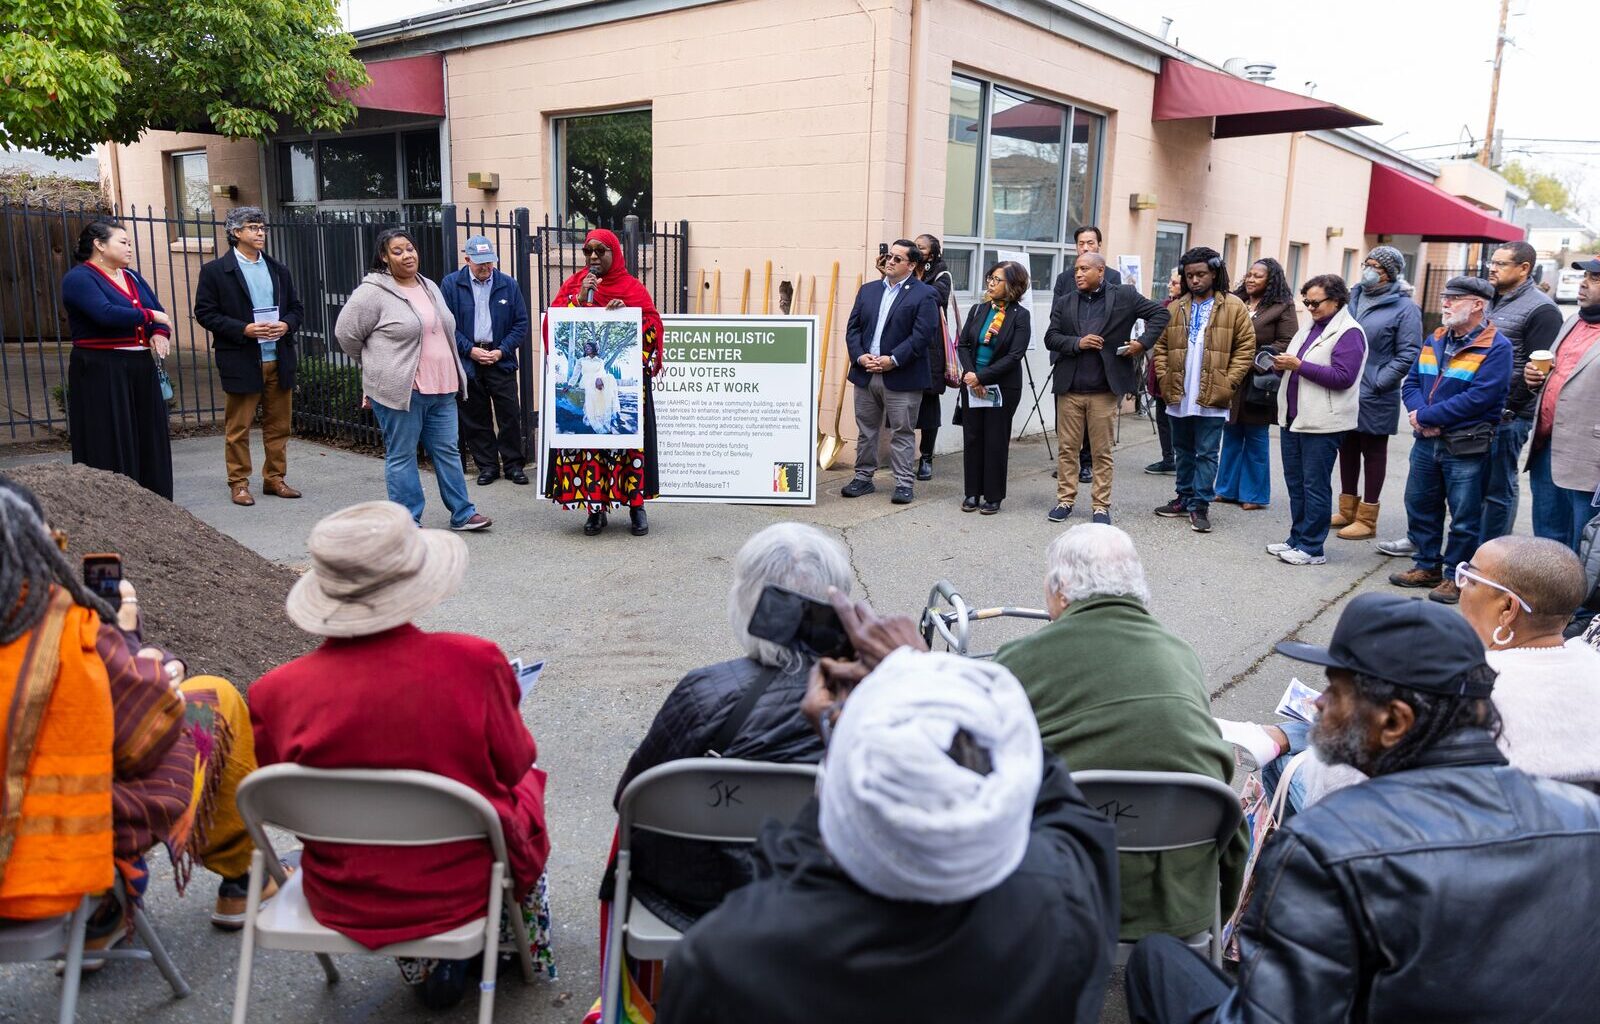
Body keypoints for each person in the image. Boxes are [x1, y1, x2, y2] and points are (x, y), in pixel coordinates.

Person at [1125, 593, 1600, 1024]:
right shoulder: (1585, 818)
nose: (1319, 703)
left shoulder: (1327, 847)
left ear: (1394, 721)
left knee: (1157, 959)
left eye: (1335, 688)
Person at [657, 593, 1120, 1024]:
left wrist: (843, 731)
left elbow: (799, 856)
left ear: (843, 792)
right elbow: (1037, 776)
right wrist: (918, 672)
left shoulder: (725, 961)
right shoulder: (1064, 907)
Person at [249, 501, 552, 1005]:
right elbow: (515, 763)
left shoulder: (273, 692)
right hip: (461, 883)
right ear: (414, 583)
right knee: (525, 783)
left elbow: (282, 799)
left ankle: (432, 965)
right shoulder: (473, 663)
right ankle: (509, 940)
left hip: (343, 890)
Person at [0, 477, 262, 934]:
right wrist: (128, 640)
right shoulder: (64, 631)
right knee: (212, 698)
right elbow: (146, 735)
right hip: (58, 861)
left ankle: (111, 910)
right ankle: (239, 881)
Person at [995, 523, 1246, 943]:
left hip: (1060, 892)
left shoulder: (1018, 661)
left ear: (1060, 590)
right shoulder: (1182, 655)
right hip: (1180, 902)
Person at [610, 523, 852, 929]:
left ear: (746, 600)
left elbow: (631, 802)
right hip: (828, 899)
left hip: (699, 900)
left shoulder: (704, 692)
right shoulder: (873, 701)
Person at [334, 228, 491, 533]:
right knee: (402, 454)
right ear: (384, 257)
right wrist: (376, 368)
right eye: (397, 251)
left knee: (447, 451)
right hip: (402, 390)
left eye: (410, 249)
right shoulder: (372, 292)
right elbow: (346, 335)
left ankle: (462, 513)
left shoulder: (428, 285)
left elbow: (442, 329)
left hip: (442, 387)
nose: (407, 255)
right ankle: (407, 520)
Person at [1389, 276, 1511, 604]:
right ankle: (1426, 564)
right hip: (1426, 440)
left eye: (1455, 298)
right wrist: (1418, 414)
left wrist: (1428, 418)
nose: (1446, 302)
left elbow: (1481, 398)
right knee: (1420, 504)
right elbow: (1411, 382)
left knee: (1464, 515)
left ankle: (1454, 576)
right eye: (1446, 296)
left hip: (1466, 444)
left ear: (1477, 305)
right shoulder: (1436, 337)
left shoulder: (1497, 346)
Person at [545, 228, 665, 537]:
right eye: (588, 251)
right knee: (591, 449)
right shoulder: (574, 286)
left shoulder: (632, 287)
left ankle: (636, 507)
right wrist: (577, 300)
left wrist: (627, 315)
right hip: (588, 390)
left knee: (627, 448)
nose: (594, 256)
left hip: (619, 389)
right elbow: (552, 324)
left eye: (601, 250)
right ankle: (594, 509)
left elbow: (652, 325)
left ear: (615, 253)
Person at [1459, 536, 1600, 790]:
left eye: (1470, 579)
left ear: (1508, 608)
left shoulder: (1468, 686)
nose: (1460, 587)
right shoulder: (1592, 664)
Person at [1044, 252, 1169, 525]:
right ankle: (1065, 500)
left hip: (1103, 391)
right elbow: (1050, 338)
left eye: (1084, 268)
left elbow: (1161, 313)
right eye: (1076, 268)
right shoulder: (1066, 302)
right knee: (1067, 449)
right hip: (1070, 389)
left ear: (1100, 271)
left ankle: (1100, 506)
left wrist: (1142, 343)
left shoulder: (1124, 295)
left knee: (1101, 452)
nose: (1078, 273)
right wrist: (1078, 343)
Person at [194, 206, 306, 507]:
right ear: (235, 232)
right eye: (253, 227)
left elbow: (296, 308)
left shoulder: (279, 270)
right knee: (239, 428)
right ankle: (239, 483)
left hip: (278, 357)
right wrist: (244, 329)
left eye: (262, 228)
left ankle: (275, 479)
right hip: (242, 358)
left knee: (279, 425)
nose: (260, 233)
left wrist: (286, 324)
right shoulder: (216, 271)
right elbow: (204, 313)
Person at [60, 220, 175, 499]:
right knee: (110, 436)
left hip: (139, 367)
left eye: (129, 243)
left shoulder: (132, 277)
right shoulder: (79, 278)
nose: (129, 248)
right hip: (101, 368)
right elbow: (105, 313)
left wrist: (160, 333)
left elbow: (159, 313)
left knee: (149, 436)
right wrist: (150, 317)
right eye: (122, 242)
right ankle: (113, 500)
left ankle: (153, 499)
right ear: (99, 245)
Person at [1152, 247, 1256, 534]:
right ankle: (1183, 498)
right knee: (1183, 450)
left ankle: (1200, 505)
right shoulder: (1175, 307)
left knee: (1207, 452)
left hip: (1214, 393)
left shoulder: (1233, 306)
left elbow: (1246, 349)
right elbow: (1160, 347)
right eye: (1189, 275)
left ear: (1214, 273)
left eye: (1201, 274)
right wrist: (1163, 376)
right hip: (1178, 391)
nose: (1195, 280)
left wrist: (1228, 382)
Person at [1265, 275, 1366, 566]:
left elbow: (1344, 378)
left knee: (1315, 485)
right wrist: (1280, 365)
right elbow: (1296, 365)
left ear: (1336, 300)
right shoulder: (1310, 326)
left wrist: (1298, 365)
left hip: (1324, 422)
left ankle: (1312, 547)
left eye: (1316, 302)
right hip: (1294, 417)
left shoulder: (1349, 332)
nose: (1310, 307)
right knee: (1296, 483)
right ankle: (1297, 538)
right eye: (1306, 302)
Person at [1329, 246, 1423, 541]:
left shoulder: (1405, 308)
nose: (1368, 270)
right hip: (1346, 385)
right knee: (1346, 448)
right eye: (1366, 264)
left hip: (1376, 391)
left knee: (1373, 451)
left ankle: (1367, 518)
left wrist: (1379, 380)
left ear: (1390, 274)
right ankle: (1347, 509)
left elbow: (1408, 352)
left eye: (1376, 267)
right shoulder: (1352, 296)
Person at [841, 239, 939, 504]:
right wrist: (861, 356)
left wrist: (893, 360)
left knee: (902, 432)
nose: (890, 261)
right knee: (867, 431)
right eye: (888, 257)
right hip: (866, 372)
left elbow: (922, 335)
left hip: (902, 375)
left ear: (912, 264)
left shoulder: (924, 294)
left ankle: (904, 484)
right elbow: (853, 329)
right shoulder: (868, 291)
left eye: (897, 258)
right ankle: (863, 478)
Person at [1481, 240, 1562, 541]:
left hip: (1509, 416)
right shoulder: (1490, 299)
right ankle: (1476, 549)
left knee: (1499, 487)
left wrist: (1510, 409)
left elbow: (1539, 370)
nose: (1492, 267)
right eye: (1493, 261)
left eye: (1501, 263)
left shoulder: (1542, 310)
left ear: (1524, 268)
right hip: (1480, 409)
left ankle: (1496, 555)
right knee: (1479, 485)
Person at [1522, 255, 1600, 553]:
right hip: (1547, 448)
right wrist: (1535, 381)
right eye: (1585, 277)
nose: (1584, 284)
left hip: (1590, 459)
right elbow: (1560, 377)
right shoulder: (1573, 322)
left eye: (1596, 279)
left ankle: (1580, 602)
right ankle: (1550, 598)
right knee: (1548, 541)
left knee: (1585, 545)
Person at [440, 235, 531, 487]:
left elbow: (520, 323)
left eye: (489, 262)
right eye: (480, 263)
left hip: (500, 358)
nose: (486, 267)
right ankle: (487, 466)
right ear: (467, 259)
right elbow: (447, 326)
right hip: (470, 360)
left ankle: (513, 465)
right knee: (475, 416)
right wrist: (469, 350)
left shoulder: (507, 284)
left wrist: (502, 350)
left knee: (510, 414)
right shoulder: (450, 285)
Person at [1216, 258, 1297, 511]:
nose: (1251, 279)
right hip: (1231, 378)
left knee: (1255, 436)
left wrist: (1254, 360)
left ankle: (1254, 494)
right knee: (1230, 433)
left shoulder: (1282, 306)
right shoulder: (1235, 300)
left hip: (1259, 381)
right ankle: (1226, 489)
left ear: (1270, 280)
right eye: (1249, 274)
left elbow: (1287, 340)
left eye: (1258, 276)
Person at [956, 260, 1032, 514]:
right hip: (972, 383)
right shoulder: (978, 310)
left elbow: (1014, 355)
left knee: (996, 440)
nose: (991, 282)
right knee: (973, 437)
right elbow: (963, 344)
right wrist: (970, 374)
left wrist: (982, 378)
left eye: (997, 279)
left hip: (1002, 387)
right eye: (990, 277)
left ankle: (993, 495)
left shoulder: (1021, 315)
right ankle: (972, 492)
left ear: (1013, 285)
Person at [1053, 226, 1123, 484]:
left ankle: (1087, 462)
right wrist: (1074, 341)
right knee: (1067, 423)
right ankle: (1068, 467)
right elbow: (1056, 319)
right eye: (1081, 243)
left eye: (1090, 242)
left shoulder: (1114, 277)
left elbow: (1117, 317)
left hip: (1100, 361)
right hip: (1069, 356)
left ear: (1099, 245)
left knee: (1096, 424)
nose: (1085, 247)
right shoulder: (1065, 279)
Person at [913, 233, 953, 481]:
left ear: (933, 253)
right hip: (907, 345)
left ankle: (926, 457)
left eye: (922, 248)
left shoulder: (941, 275)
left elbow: (933, 297)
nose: (917, 251)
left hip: (931, 347)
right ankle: (904, 456)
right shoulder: (907, 270)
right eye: (915, 247)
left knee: (928, 405)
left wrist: (912, 281)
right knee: (902, 403)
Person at [1144, 267, 1183, 475]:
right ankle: (1167, 458)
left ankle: (1181, 458)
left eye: (1174, 282)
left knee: (1177, 418)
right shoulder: (1164, 306)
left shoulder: (1189, 308)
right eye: (1170, 281)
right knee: (1162, 416)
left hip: (1179, 372)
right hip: (1160, 370)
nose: (1169, 285)